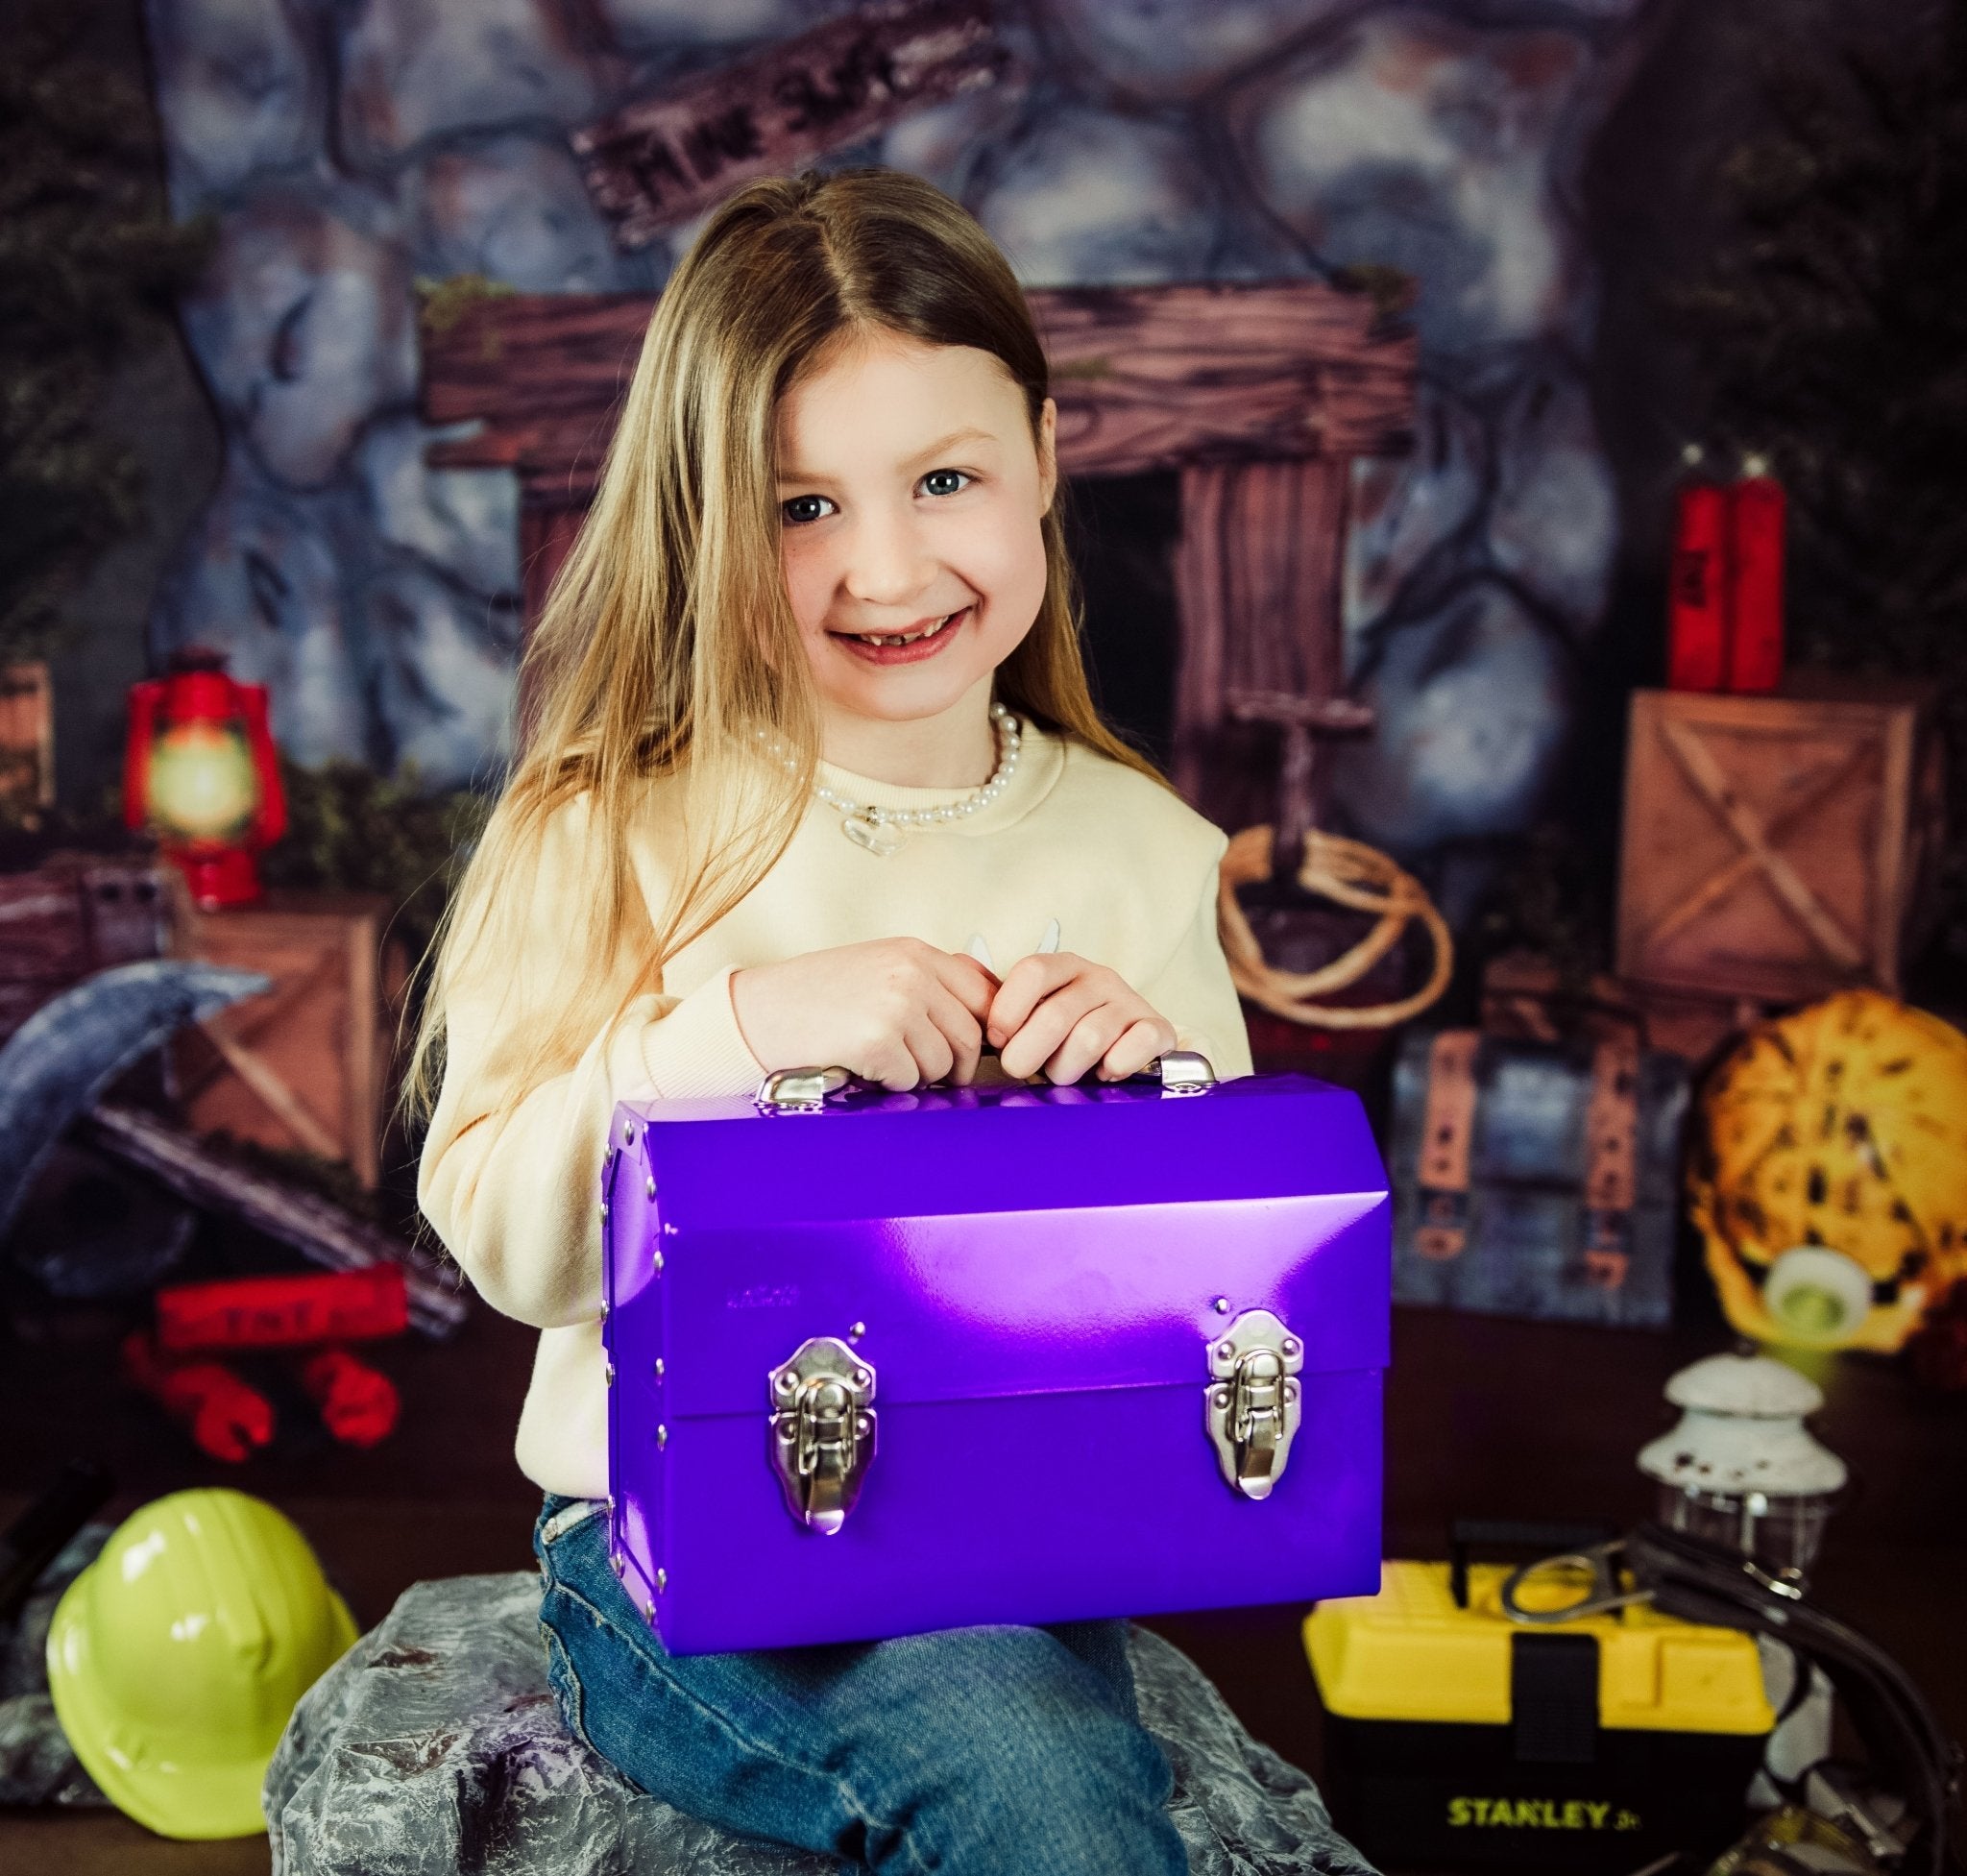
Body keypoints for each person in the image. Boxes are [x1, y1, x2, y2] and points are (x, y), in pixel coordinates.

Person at [412, 167, 1252, 1876]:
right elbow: (500, 1230)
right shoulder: (607, 821)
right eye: (803, 508)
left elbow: (1215, 1308)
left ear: (1043, 448)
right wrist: (734, 1027)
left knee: (1034, 1738)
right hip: (682, 1546)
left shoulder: (1138, 848)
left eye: (946, 478)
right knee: (1034, 1786)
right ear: (710, 518)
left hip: (1024, 1532)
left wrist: (1153, 1092)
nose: (885, 567)